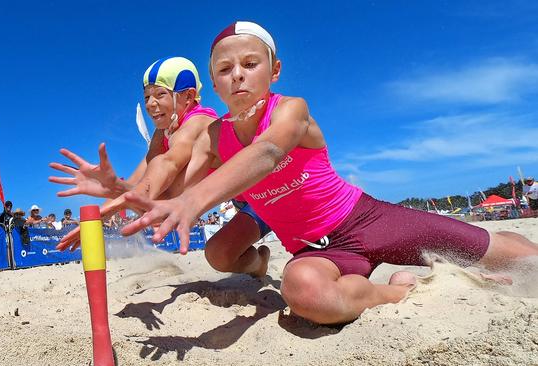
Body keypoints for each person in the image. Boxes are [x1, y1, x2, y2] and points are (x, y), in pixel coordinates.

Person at [117, 21, 538, 325]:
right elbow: (171, 166)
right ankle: (402, 287)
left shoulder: (290, 109)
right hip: (316, 251)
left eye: (250, 63)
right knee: (304, 293)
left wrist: (193, 199)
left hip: (367, 220)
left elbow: (265, 153)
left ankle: (502, 245)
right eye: (225, 70)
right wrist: (118, 195)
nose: (238, 75)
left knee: (518, 258)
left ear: (274, 70)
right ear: (214, 81)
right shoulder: (213, 135)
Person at [50, 57, 219, 250]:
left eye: (160, 94)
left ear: (188, 97)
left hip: (253, 189)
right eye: (147, 97)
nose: (150, 104)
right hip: (243, 201)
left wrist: (107, 208)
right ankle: (260, 256)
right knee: (219, 256)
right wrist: (114, 187)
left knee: (164, 194)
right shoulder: (162, 132)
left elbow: (166, 167)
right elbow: (140, 184)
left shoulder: (199, 122)